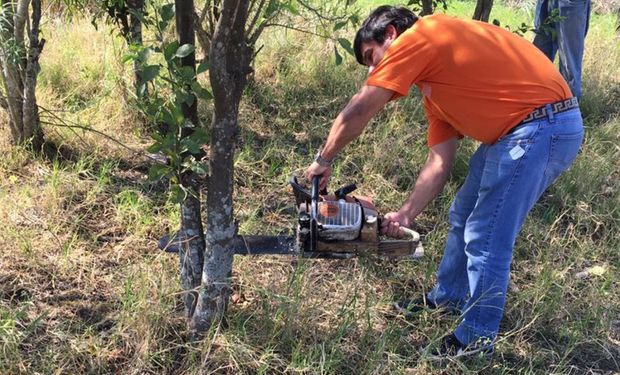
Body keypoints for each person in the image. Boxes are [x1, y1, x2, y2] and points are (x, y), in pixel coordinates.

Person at [304, 5, 584, 360]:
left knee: (486, 234)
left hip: (542, 125)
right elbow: (440, 162)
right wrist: (405, 214)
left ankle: (476, 341)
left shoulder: (422, 35)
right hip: (521, 130)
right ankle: (447, 298)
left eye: (372, 57)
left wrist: (323, 160)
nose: (374, 70)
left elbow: (360, 108)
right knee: (463, 213)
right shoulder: (437, 87)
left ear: (391, 33)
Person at [533, 0, 591, 99]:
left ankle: (569, 112)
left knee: (569, 67)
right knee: (537, 63)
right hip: (545, 2)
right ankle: (536, 109)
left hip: (571, 3)